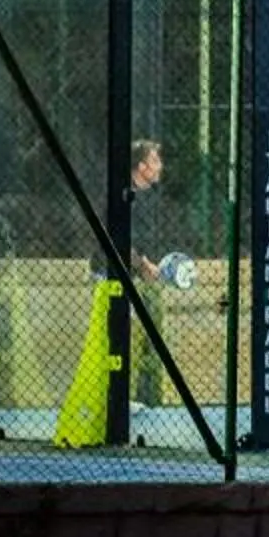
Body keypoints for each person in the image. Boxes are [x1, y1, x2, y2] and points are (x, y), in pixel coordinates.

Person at [122, 138, 175, 411]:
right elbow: (119, 240)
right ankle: (121, 397)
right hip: (120, 279)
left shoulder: (152, 200)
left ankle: (147, 400)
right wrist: (144, 265)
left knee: (152, 337)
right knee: (124, 336)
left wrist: (159, 267)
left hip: (146, 279)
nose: (160, 166)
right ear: (141, 167)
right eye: (155, 161)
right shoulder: (123, 196)